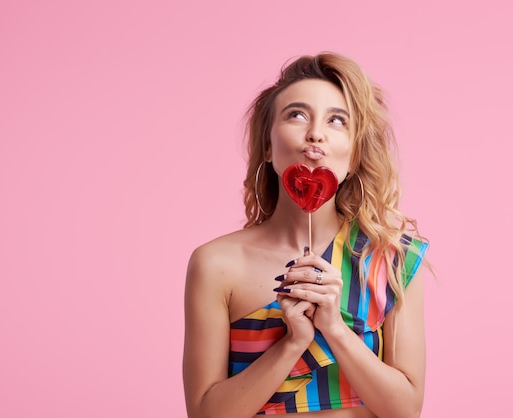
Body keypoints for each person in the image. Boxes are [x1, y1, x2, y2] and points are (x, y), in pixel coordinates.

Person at [183, 52, 429, 418]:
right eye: (297, 115)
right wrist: (294, 342)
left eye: (337, 120)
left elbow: (405, 411)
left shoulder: (390, 259)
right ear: (267, 146)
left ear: (354, 153)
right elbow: (205, 414)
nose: (316, 132)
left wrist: (334, 328)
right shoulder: (216, 264)